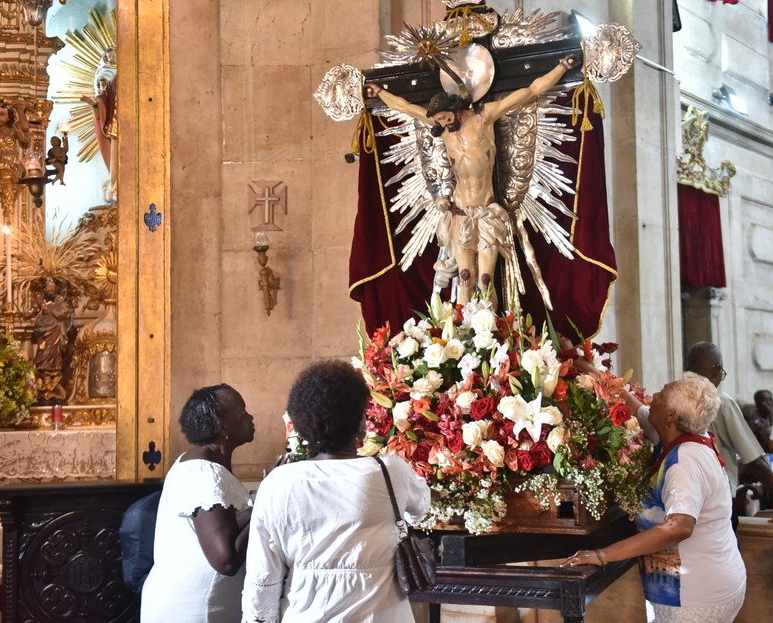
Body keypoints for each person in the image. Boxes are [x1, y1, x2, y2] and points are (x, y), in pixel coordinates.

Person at [363, 54, 577, 305]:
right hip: (460, 212)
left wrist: (561, 67)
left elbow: (531, 90)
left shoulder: (484, 117)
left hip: (486, 211)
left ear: (454, 107)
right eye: (439, 120)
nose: (442, 123)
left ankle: (494, 332)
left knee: (485, 279)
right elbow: (405, 107)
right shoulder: (442, 128)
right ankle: (462, 334)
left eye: (445, 117)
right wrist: (378, 91)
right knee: (465, 277)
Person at [242, 361, 431, 623]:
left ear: (302, 425)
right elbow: (421, 508)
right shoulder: (389, 471)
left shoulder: (277, 483)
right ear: (360, 425)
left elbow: (263, 579)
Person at [563, 373, 746, 622]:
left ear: (672, 416)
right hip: (696, 586)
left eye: (663, 391)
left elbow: (678, 527)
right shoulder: (674, 435)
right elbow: (628, 400)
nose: (654, 396)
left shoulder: (685, 461)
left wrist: (601, 555)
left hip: (696, 597)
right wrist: (584, 366)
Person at [140, 384, 256, 623]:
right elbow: (226, 560)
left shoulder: (201, 462)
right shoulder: (204, 473)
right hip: (195, 610)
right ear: (223, 427)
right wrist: (267, 502)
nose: (250, 416)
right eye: (241, 411)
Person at [685, 341, 773, 522]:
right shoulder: (721, 402)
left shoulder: (672, 398)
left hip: (683, 497)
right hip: (718, 499)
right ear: (716, 370)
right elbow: (754, 458)